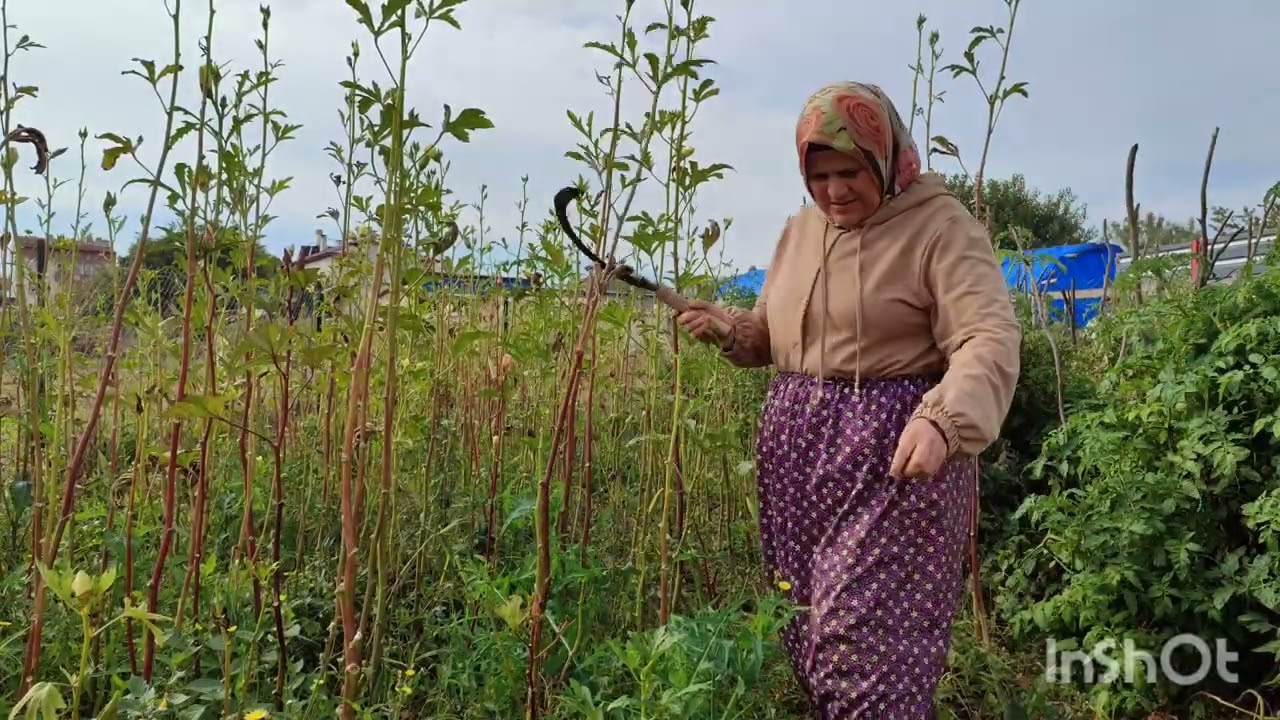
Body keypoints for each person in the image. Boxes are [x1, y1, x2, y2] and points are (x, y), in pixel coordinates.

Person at [677, 81, 1021, 717]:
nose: (834, 191)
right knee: (807, 621)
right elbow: (775, 336)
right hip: (798, 465)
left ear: (885, 159)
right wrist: (734, 331)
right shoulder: (800, 232)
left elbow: (987, 337)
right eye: (819, 176)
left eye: (850, 171)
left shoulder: (942, 228)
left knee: (866, 641)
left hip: (894, 458)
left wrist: (945, 421)